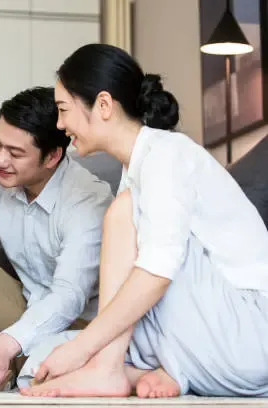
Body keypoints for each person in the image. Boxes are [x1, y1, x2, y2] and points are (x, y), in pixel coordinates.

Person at [21, 43, 268, 399]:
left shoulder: (166, 156)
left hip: (249, 336)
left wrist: (86, 347)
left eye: (63, 110)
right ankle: (146, 371)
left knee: (123, 215)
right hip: (218, 337)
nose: (60, 125)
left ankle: (111, 370)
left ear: (103, 105)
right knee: (39, 363)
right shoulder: (138, 166)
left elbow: (158, 271)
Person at [0, 86, 114, 391]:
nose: (0, 160)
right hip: (26, 308)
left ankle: (17, 366)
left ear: (52, 157)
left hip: (81, 327)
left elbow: (68, 297)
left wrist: (5, 344)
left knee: (45, 374)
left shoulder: (88, 202)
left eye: (16, 153)